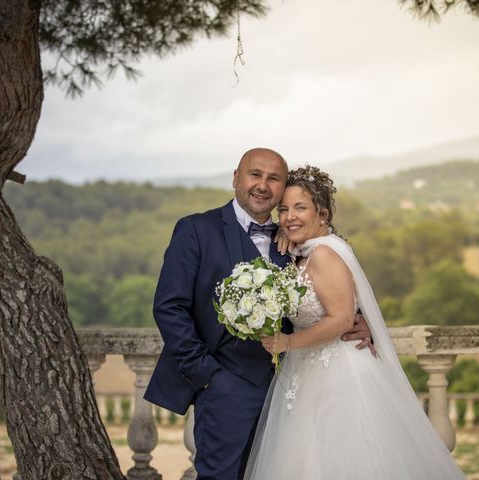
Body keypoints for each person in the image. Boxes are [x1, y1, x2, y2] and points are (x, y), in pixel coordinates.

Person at [144, 148, 372, 480]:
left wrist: (360, 317)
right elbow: (169, 307)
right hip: (223, 384)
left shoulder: (293, 241)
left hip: (287, 389)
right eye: (255, 174)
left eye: (273, 178)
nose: (262, 185)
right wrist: (207, 375)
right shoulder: (196, 229)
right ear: (236, 178)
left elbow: (327, 286)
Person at [244, 165, 467, 480]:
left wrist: (287, 342)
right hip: (306, 375)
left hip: (339, 376)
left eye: (300, 208)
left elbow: (342, 319)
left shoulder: (323, 254)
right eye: (283, 210)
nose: (290, 216)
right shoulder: (306, 252)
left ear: (322, 214)